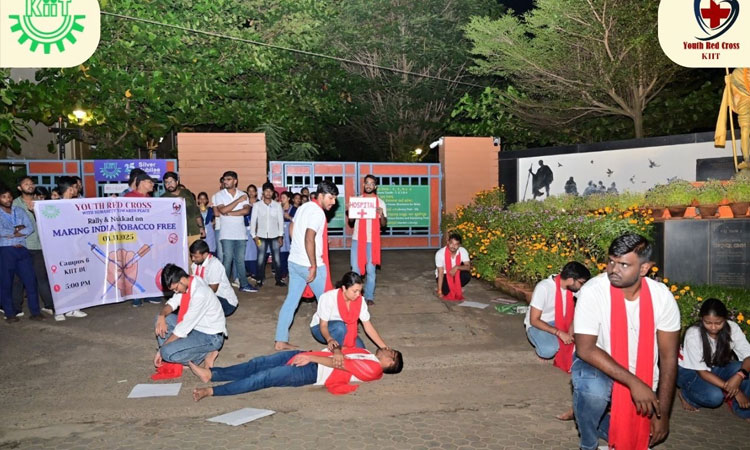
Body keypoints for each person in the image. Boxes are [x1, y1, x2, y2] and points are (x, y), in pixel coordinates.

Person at [572, 233, 680, 450]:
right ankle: (588, 443)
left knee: (640, 436)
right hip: (598, 364)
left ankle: (592, 416)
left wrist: (662, 414)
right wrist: (634, 383)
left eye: (623, 264)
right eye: (611, 261)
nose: (613, 269)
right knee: (592, 391)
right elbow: (585, 349)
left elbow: (669, 359)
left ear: (644, 268)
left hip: (643, 372)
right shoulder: (593, 291)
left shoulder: (662, 298)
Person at [188, 346, 403, 401]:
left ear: (390, 362)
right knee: (258, 363)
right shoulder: (367, 353)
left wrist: (311, 358)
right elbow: (340, 349)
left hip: (314, 370)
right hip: (310, 356)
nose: (386, 348)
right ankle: (211, 374)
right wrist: (333, 348)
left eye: (390, 352)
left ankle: (212, 391)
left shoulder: (374, 369)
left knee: (263, 377)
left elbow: (338, 365)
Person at [274, 181, 338, 350]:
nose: (333, 202)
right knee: (329, 303)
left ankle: (280, 340)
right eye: (330, 198)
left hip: (294, 262)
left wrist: (297, 249)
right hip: (309, 264)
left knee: (291, 301)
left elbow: (292, 227)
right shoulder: (317, 213)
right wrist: (313, 265)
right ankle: (336, 339)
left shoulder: (304, 207)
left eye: (335, 198)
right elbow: (309, 238)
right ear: (321, 195)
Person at [677, 298, 750, 421]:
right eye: (708, 322)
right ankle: (686, 395)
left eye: (718, 323)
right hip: (689, 371)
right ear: (702, 319)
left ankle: (743, 410)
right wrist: (736, 391)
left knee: (744, 369)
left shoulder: (732, 328)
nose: (713, 327)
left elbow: (748, 356)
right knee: (715, 397)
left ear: (725, 319)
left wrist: (739, 375)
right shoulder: (693, 334)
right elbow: (702, 372)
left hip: (713, 366)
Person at [154, 264, 226, 371]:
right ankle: (184, 351)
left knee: (166, 352)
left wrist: (161, 350)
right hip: (195, 327)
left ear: (182, 280)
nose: (176, 292)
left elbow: (183, 328)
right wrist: (161, 316)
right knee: (160, 320)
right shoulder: (189, 282)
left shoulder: (200, 293)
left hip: (211, 336)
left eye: (176, 289)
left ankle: (205, 354)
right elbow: (173, 303)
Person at [524, 261, 590, 368]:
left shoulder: (573, 287)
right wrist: (559, 333)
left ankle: (556, 342)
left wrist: (571, 331)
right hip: (540, 324)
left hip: (563, 321)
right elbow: (534, 320)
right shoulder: (544, 288)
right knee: (549, 350)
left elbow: (581, 310)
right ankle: (544, 345)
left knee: (588, 339)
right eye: (581, 283)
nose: (582, 286)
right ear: (570, 280)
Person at [11, 176, 56, 319]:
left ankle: (49, 305)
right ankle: (16, 308)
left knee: (41, 277)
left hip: (38, 245)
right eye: (26, 184)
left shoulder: (41, 203)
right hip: (22, 245)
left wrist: (35, 212)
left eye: (31, 183)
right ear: (19, 188)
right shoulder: (14, 204)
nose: (30, 185)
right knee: (18, 279)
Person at [311, 271, 390, 351]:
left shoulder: (360, 300)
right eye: (355, 291)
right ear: (344, 288)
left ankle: (342, 347)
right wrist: (329, 339)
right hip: (320, 329)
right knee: (340, 327)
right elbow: (323, 325)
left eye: (360, 291)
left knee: (361, 351)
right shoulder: (328, 298)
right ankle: (337, 350)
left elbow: (367, 325)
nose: (358, 294)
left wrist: (384, 347)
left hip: (345, 328)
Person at [0, 185, 44, 323]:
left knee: (30, 281)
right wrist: (18, 230)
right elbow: (1, 231)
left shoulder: (18, 210)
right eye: (4, 197)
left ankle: (35, 312)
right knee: (6, 283)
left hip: (22, 249)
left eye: (9, 196)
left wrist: (14, 233)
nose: (8, 199)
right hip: (6, 251)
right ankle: (9, 313)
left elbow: (30, 228)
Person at [212, 171, 255, 293]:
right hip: (226, 234)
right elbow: (222, 210)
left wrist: (230, 213)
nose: (225, 182)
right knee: (227, 259)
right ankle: (223, 286)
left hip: (240, 233)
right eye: (224, 179)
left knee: (240, 260)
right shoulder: (219, 195)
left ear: (235, 181)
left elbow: (246, 211)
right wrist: (238, 201)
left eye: (228, 179)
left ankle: (244, 284)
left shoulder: (243, 194)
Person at [52, 178, 90, 318]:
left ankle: (73, 307)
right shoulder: (55, 206)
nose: (76, 189)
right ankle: (59, 310)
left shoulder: (77, 205)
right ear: (69, 189)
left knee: (74, 277)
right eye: (74, 187)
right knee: (60, 279)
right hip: (60, 248)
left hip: (75, 247)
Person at [347, 175, 386, 306]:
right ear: (363, 185)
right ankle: (355, 295)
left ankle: (369, 296)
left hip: (372, 241)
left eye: (372, 183)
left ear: (375, 186)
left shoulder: (380, 203)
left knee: (370, 270)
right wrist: (351, 212)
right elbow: (351, 221)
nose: (369, 185)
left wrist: (381, 215)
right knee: (355, 269)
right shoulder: (357, 201)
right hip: (357, 240)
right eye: (367, 183)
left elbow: (384, 224)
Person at [189, 240, 238, 317]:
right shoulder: (195, 265)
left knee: (197, 306)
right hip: (211, 297)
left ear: (205, 254)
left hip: (226, 303)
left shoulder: (214, 264)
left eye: (196, 256)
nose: (193, 259)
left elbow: (213, 289)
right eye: (191, 256)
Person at [249, 182, 285, 288]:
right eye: (266, 191)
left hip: (275, 236)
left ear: (273, 193)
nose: (268, 193)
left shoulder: (277, 205)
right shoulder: (257, 205)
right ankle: (259, 279)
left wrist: (281, 236)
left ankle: (279, 279)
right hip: (261, 236)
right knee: (260, 259)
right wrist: (254, 236)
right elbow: (253, 221)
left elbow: (280, 221)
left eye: (270, 191)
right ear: (263, 192)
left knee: (277, 259)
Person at [161, 172, 205, 247]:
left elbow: (196, 211)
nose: (169, 184)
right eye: (166, 182)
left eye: (171, 181)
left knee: (195, 253)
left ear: (177, 182)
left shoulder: (186, 192)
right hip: (176, 234)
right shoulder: (163, 198)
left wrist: (201, 227)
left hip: (193, 231)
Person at [435, 233, 471, 301]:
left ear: (459, 245)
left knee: (466, 275)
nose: (453, 246)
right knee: (446, 291)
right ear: (448, 242)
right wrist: (439, 291)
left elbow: (468, 267)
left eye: (456, 244)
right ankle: (451, 287)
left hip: (456, 272)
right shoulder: (440, 253)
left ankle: (458, 286)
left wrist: (457, 267)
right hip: (444, 274)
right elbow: (440, 272)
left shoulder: (462, 251)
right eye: (451, 243)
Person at [278, 191, 295, 281]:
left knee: (291, 255)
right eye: (281, 197)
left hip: (290, 234)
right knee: (282, 255)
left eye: (284, 197)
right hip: (281, 234)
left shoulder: (294, 209)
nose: (282, 199)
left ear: (288, 198)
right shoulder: (278, 208)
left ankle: (292, 273)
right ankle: (283, 273)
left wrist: (289, 217)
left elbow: (298, 221)